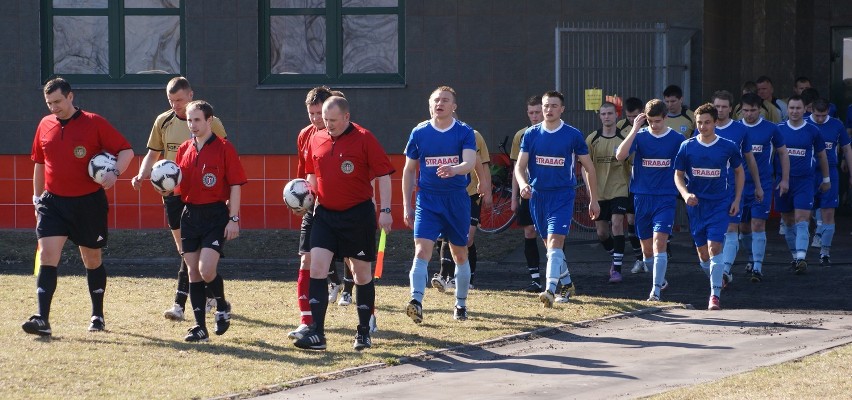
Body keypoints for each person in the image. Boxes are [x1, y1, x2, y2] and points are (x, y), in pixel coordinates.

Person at [23, 77, 134, 336]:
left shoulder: (94, 123)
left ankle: (97, 314)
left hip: (88, 204)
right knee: (48, 256)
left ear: (71, 97)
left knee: (92, 259)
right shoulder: (44, 125)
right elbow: (39, 164)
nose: (54, 107)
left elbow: (126, 150)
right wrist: (36, 199)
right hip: (53, 202)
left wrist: (115, 172)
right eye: (49, 103)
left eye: (58, 102)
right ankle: (42, 319)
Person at [294, 96, 394, 351]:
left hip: (357, 215)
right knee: (316, 267)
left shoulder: (364, 138)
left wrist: (385, 210)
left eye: (333, 120)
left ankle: (363, 331)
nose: (328, 125)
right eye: (325, 120)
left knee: (362, 274)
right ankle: (317, 332)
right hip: (325, 215)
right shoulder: (316, 138)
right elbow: (311, 174)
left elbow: (383, 175)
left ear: (347, 117)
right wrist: (306, 200)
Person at [130, 77, 226, 321]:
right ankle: (211, 295)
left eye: (180, 100)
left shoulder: (210, 122)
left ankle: (179, 304)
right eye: (171, 101)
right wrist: (142, 175)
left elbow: (223, 158)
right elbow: (153, 154)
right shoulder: (163, 121)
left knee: (190, 251)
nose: (175, 105)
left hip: (200, 197)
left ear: (191, 95)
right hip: (172, 195)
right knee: (185, 251)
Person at [514, 90, 600, 308]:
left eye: (553, 106)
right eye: (545, 106)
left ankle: (549, 290)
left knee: (554, 243)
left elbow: (589, 168)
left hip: (562, 195)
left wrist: (594, 199)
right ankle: (568, 284)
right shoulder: (531, 135)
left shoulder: (572, 135)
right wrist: (523, 185)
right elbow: (520, 166)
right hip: (537, 196)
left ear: (562, 109)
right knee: (551, 247)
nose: (548, 110)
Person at [403, 86, 476, 322]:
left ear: (454, 106)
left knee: (460, 254)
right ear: (430, 105)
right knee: (422, 250)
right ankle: (416, 301)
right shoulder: (419, 132)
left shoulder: (464, 132)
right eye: (436, 100)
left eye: (445, 100)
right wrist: (407, 204)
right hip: (428, 200)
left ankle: (461, 304)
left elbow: (470, 163)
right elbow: (409, 170)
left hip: (456, 200)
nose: (440, 103)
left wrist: (453, 169)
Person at [175, 100, 246, 342]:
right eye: (189, 120)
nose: (192, 125)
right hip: (190, 215)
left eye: (197, 120)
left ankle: (222, 306)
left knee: (206, 270)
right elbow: (176, 185)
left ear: (209, 121)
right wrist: (163, 185)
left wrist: (233, 218)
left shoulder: (225, 148)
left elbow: (236, 185)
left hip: (216, 215)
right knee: (193, 273)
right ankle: (199, 327)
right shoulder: (184, 149)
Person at [674, 103, 744, 311]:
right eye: (699, 123)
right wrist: (686, 194)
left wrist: (737, 200)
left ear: (715, 123)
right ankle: (718, 276)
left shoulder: (728, 146)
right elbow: (678, 175)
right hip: (696, 206)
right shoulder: (687, 146)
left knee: (715, 248)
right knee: (703, 254)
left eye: (707, 122)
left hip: (719, 204)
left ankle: (714, 295)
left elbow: (740, 172)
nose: (703, 126)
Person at [615, 99, 684, 302]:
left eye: (658, 121)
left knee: (659, 242)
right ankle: (659, 280)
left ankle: (655, 291)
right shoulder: (640, 135)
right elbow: (620, 155)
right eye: (650, 121)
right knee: (647, 253)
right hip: (641, 198)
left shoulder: (677, 139)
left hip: (665, 197)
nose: (654, 125)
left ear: (665, 118)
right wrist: (635, 128)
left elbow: (685, 164)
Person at [286, 86, 333, 341]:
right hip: (314, 209)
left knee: (354, 266)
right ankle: (306, 320)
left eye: (319, 113)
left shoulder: (343, 134)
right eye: (311, 113)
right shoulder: (305, 135)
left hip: (341, 209)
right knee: (306, 261)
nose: (315, 119)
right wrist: (300, 200)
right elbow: (305, 176)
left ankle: (367, 315)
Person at [432, 114, 492, 292]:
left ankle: (468, 276)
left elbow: (480, 162)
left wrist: (485, 186)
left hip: (471, 193)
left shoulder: (471, 134)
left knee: (467, 238)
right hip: (446, 195)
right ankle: (448, 276)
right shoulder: (433, 135)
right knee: (444, 236)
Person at [709, 90, 762, 288]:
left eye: (724, 106)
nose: (720, 110)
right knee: (712, 234)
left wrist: (758, 186)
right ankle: (715, 266)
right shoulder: (703, 127)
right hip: (708, 190)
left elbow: (750, 160)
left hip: (732, 188)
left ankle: (725, 271)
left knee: (732, 228)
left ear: (731, 109)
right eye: (717, 106)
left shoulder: (740, 131)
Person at [737, 93, 789, 282]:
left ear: (760, 109)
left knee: (758, 223)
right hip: (739, 186)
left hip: (764, 184)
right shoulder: (736, 128)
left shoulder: (771, 129)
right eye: (745, 110)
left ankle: (758, 266)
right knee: (743, 227)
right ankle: (750, 258)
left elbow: (783, 153)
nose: (749, 114)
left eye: (752, 110)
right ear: (740, 109)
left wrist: (784, 179)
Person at [776, 96, 830, 274]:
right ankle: (795, 256)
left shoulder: (813, 131)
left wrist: (826, 179)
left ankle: (801, 257)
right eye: (791, 108)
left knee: (802, 219)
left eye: (798, 108)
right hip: (783, 181)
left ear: (804, 109)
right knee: (788, 220)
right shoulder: (779, 129)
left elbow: (822, 156)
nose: (794, 111)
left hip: (805, 181)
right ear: (788, 109)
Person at [585, 102, 630, 283]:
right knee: (602, 233)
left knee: (617, 223)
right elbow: (584, 167)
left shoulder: (624, 139)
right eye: (603, 114)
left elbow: (632, 164)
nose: (606, 117)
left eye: (610, 113)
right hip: (599, 192)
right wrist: (590, 192)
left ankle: (617, 269)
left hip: (619, 189)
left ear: (616, 115)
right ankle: (616, 255)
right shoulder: (592, 139)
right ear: (600, 116)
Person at [808, 98, 852, 267]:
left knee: (828, 213)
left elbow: (847, 149)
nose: (820, 119)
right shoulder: (804, 124)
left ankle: (825, 251)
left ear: (828, 112)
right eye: (817, 115)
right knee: (804, 212)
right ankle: (800, 252)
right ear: (811, 110)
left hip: (830, 172)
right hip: (808, 173)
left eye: (823, 115)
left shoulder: (836, 125)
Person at [510, 95, 545, 292]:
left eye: (537, 112)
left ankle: (556, 278)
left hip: (548, 192)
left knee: (550, 236)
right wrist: (514, 197)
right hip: (527, 192)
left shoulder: (552, 132)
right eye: (531, 113)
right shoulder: (521, 135)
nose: (534, 116)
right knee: (529, 231)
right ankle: (535, 279)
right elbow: (517, 168)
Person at [617, 97, 648, 272]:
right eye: (629, 116)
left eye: (635, 116)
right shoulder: (621, 127)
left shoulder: (651, 125)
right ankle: (639, 258)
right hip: (628, 180)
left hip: (650, 180)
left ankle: (654, 254)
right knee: (631, 219)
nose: (631, 119)